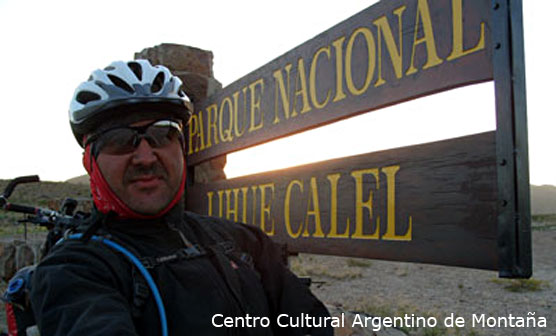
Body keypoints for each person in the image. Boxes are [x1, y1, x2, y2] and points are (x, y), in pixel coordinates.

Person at [30, 60, 333, 335]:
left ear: (181, 148)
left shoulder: (242, 241)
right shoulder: (75, 269)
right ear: (90, 163)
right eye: (120, 141)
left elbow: (312, 323)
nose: (145, 157)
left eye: (163, 134)